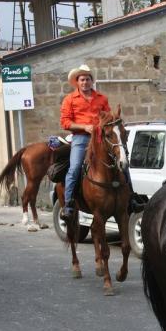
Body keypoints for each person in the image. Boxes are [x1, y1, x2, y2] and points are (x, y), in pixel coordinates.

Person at [59, 65, 144, 220]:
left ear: (92, 81)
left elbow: (108, 117)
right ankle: (68, 204)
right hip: (81, 138)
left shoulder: (102, 98)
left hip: (101, 137)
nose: (85, 82)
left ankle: (131, 198)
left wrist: (108, 123)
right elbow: (65, 122)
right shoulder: (69, 99)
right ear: (77, 82)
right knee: (75, 167)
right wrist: (84, 127)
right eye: (82, 80)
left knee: (122, 161)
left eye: (87, 79)